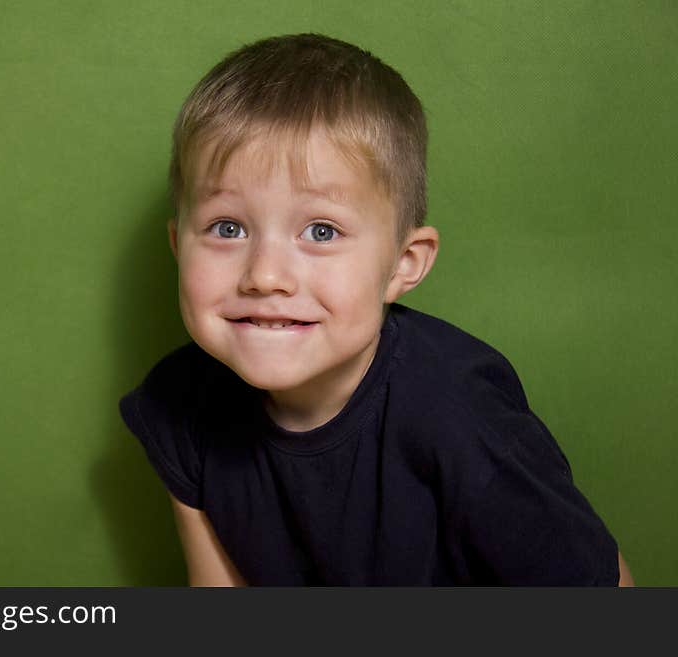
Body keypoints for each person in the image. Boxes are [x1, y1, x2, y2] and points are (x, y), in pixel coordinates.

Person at [119, 33, 634, 586]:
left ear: (403, 264)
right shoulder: (180, 406)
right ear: (179, 247)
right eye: (228, 228)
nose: (265, 275)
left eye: (321, 230)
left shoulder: (459, 416)